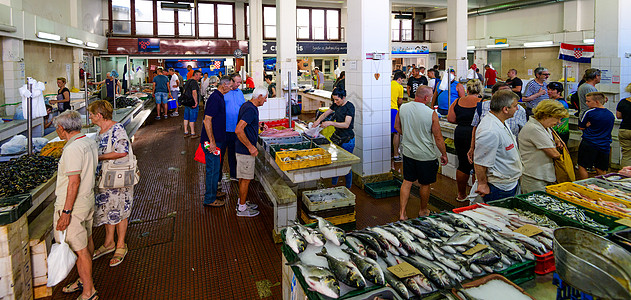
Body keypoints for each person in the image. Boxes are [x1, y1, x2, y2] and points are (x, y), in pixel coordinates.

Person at [53, 111, 99, 300]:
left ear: (62, 129)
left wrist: (66, 212)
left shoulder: (71, 149)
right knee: (86, 240)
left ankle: (89, 291)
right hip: (87, 201)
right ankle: (83, 279)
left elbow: (73, 183)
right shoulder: (88, 141)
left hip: (74, 206)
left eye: (57, 127)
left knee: (80, 251)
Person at [87, 100, 134, 268]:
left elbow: (122, 152)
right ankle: (108, 243)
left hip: (118, 178)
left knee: (120, 208)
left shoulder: (117, 129)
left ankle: (121, 244)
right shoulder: (100, 131)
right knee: (107, 208)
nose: (90, 117)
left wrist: (98, 157)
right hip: (105, 178)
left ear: (99, 115)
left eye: (92, 114)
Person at [396, 86, 448, 220]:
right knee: (425, 184)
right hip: (425, 155)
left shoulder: (403, 108)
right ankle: (423, 210)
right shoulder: (431, 113)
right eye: (430, 97)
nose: (431, 99)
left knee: (407, 181)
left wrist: (408, 135)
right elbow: (438, 138)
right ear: (426, 98)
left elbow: (397, 127)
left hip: (408, 153)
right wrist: (444, 154)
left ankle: (402, 213)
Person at [474, 90, 523, 202]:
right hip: (498, 187)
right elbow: (480, 161)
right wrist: (482, 184)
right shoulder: (490, 130)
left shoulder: (500, 121)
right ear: (505, 109)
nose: (517, 109)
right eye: (515, 106)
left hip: (508, 183)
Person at [467, 83, 526, 163]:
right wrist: (472, 147)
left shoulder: (519, 110)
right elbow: (475, 127)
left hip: (509, 153)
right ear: (493, 95)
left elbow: (522, 134)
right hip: (487, 150)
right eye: (503, 94)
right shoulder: (483, 107)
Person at [519, 100, 568, 193]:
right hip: (534, 176)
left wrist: (556, 139)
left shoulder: (544, 127)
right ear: (546, 116)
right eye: (557, 118)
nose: (558, 122)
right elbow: (554, 154)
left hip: (543, 174)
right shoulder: (534, 128)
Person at [447, 79, 483, 201]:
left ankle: (461, 194)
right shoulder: (483, 102)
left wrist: (462, 122)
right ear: (480, 90)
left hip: (461, 132)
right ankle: (475, 194)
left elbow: (450, 118)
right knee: (477, 165)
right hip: (477, 133)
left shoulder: (457, 101)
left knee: (463, 164)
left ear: (467, 90)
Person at [235, 87, 268, 217]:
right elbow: (238, 130)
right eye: (265, 98)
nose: (265, 101)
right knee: (246, 179)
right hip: (244, 151)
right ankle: (241, 209)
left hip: (241, 149)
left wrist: (258, 126)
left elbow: (247, 124)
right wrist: (250, 147)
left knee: (243, 178)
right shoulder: (250, 109)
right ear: (259, 96)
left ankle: (241, 202)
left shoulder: (248, 105)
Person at [313, 89, 355, 188]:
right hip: (337, 136)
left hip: (347, 139)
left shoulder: (350, 107)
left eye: (337, 100)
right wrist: (317, 122)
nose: (335, 102)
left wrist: (330, 123)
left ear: (343, 97)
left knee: (346, 165)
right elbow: (324, 114)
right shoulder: (336, 104)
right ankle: (333, 184)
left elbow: (346, 124)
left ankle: (348, 187)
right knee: (335, 162)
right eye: (334, 100)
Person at [201, 76, 232, 207]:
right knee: (212, 169)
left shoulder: (219, 97)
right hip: (211, 142)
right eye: (230, 86)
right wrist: (212, 142)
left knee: (215, 168)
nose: (231, 88)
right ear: (224, 85)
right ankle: (209, 199)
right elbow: (207, 120)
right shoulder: (215, 98)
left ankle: (213, 192)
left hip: (217, 139)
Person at [577, 92, 615, 179]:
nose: (586, 103)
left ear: (597, 102)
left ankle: (584, 185)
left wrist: (586, 126)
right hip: (604, 145)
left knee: (582, 166)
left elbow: (581, 127)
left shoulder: (589, 112)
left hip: (589, 143)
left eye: (588, 101)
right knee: (601, 168)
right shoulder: (610, 114)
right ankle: (601, 186)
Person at [222, 73, 246, 180]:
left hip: (238, 128)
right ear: (231, 81)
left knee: (236, 151)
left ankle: (236, 174)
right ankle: (225, 176)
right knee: (225, 153)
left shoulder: (240, 92)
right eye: (237, 82)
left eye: (240, 82)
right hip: (225, 128)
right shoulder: (224, 92)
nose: (239, 84)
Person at [391, 71, 406, 162]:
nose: (401, 82)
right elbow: (400, 101)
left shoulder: (387, 84)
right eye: (402, 80)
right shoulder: (399, 87)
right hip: (393, 110)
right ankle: (396, 155)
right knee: (396, 133)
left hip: (383, 110)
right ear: (399, 79)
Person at [183, 70, 202, 137]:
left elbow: (184, 91)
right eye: (199, 75)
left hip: (187, 102)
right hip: (192, 102)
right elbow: (194, 92)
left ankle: (186, 132)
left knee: (186, 117)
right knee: (192, 118)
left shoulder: (188, 81)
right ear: (196, 75)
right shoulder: (194, 82)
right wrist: (196, 102)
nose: (200, 77)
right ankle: (193, 133)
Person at [617, 83, 631, 167]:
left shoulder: (623, 101)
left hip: (624, 130)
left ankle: (626, 176)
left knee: (626, 155)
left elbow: (618, 116)